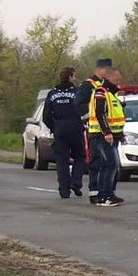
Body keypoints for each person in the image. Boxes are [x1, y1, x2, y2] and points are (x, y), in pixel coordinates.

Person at [79, 58, 125, 206]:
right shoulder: (101, 92)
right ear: (109, 77)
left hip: (110, 135)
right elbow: (100, 114)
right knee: (110, 164)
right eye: (117, 79)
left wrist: (120, 134)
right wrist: (107, 132)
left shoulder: (112, 93)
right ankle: (105, 196)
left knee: (109, 165)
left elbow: (114, 117)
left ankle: (107, 194)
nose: (118, 82)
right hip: (101, 135)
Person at [43, 67, 87, 199]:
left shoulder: (52, 93)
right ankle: (76, 182)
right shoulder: (77, 92)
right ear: (70, 77)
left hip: (59, 127)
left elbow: (46, 115)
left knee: (61, 160)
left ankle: (64, 190)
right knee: (80, 156)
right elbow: (84, 110)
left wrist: (54, 127)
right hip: (75, 126)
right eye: (74, 76)